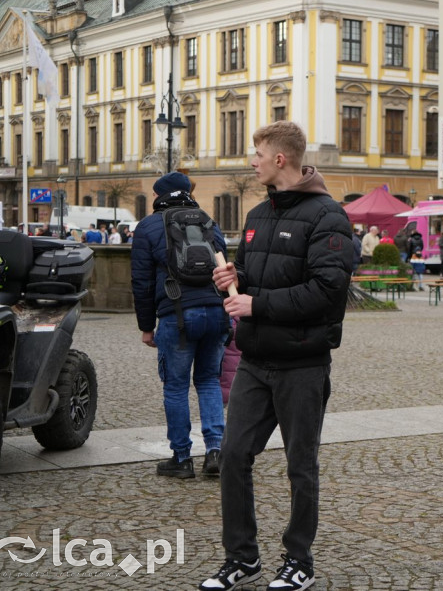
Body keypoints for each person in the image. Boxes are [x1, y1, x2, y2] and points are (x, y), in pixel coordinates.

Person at [204, 121, 353, 591]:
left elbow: (329, 292)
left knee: (299, 465)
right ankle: (242, 558)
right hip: (254, 360)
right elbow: (251, 276)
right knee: (232, 456)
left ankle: (299, 561)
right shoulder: (257, 215)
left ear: (281, 159)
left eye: (258, 153)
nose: (252, 161)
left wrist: (256, 304)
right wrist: (233, 278)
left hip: (302, 365)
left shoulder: (329, 216)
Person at [131, 171, 227, 480]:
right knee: (209, 380)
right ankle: (215, 451)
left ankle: (182, 458)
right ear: (188, 193)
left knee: (175, 386)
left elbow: (141, 282)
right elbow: (225, 266)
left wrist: (147, 326)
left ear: (158, 196)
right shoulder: (207, 221)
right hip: (215, 311)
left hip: (177, 314)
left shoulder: (148, 227)